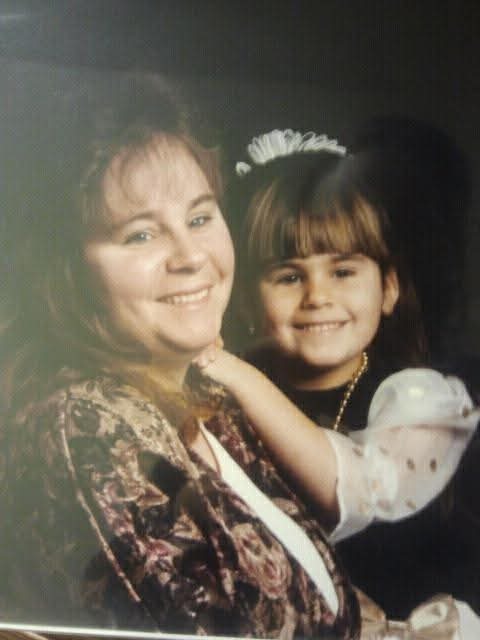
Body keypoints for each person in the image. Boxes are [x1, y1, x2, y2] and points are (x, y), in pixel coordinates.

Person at [0, 74, 361, 638]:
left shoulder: (201, 389)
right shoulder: (86, 426)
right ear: (65, 272)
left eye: (199, 218)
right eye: (141, 236)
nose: (191, 256)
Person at [201, 129, 479, 617]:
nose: (318, 297)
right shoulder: (223, 394)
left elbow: (348, 491)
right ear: (245, 300)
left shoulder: (417, 402)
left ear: (389, 289)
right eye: (289, 276)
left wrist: (229, 369)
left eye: (344, 272)